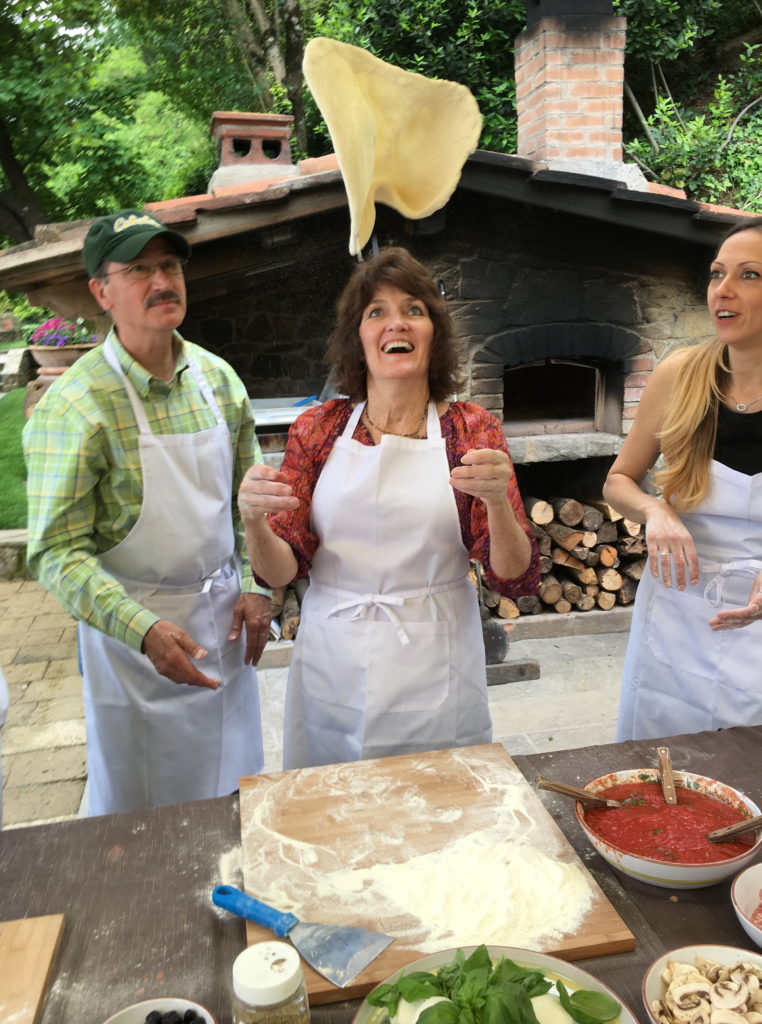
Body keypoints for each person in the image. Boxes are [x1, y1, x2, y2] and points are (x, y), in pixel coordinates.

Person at [238, 247, 540, 769]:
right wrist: (253, 522)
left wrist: (497, 503)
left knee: (438, 807)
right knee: (333, 807)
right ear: (356, 336)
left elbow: (511, 577)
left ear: (433, 333)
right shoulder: (319, 429)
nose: (395, 322)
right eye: (376, 311)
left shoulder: (470, 430)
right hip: (335, 658)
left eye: (413, 309)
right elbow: (279, 569)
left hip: (436, 655)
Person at [23, 208, 271, 815]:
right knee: (143, 822)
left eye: (169, 265)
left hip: (224, 626)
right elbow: (55, 553)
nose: (162, 281)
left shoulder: (218, 380)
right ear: (100, 291)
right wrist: (144, 630)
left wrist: (259, 584)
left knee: (235, 798)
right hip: (134, 649)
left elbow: (251, 502)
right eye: (138, 269)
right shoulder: (78, 406)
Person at [604, 218, 762, 741]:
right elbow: (619, 480)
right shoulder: (680, 375)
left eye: (750, 275)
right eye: (717, 274)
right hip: (677, 612)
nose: (724, 289)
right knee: (659, 772)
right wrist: (655, 510)